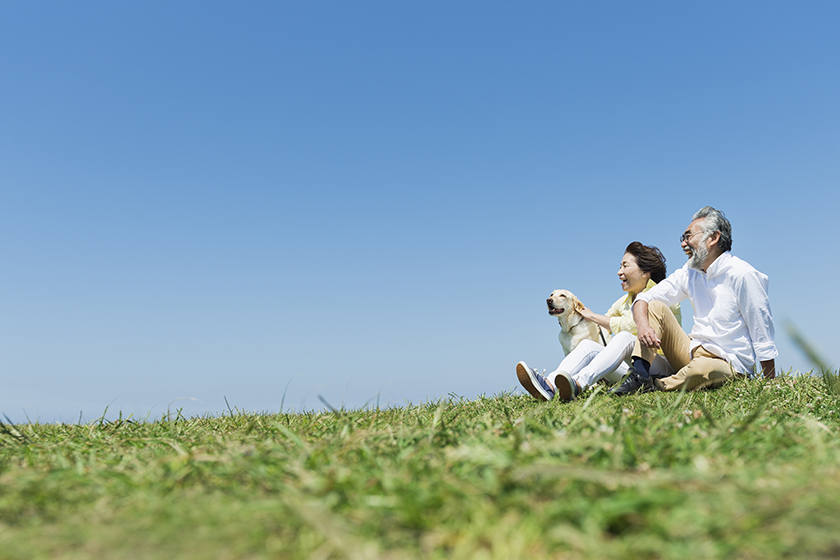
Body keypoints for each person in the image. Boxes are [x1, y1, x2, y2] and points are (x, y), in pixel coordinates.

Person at [611, 206, 777, 395]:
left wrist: (769, 381)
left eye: (688, 237)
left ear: (713, 238)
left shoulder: (743, 275)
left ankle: (657, 386)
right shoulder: (689, 272)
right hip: (690, 351)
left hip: (728, 361)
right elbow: (645, 298)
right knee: (655, 306)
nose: (683, 244)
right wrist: (643, 326)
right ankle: (639, 376)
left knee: (700, 370)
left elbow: (761, 330)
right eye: (683, 238)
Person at [517, 242, 681, 402]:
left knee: (625, 337)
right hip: (632, 370)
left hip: (662, 366)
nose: (619, 272)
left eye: (625, 266)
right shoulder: (624, 302)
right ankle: (549, 384)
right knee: (588, 345)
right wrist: (574, 316)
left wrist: (593, 316)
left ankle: (579, 383)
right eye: (620, 266)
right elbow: (602, 325)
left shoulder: (663, 295)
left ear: (645, 272)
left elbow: (632, 325)